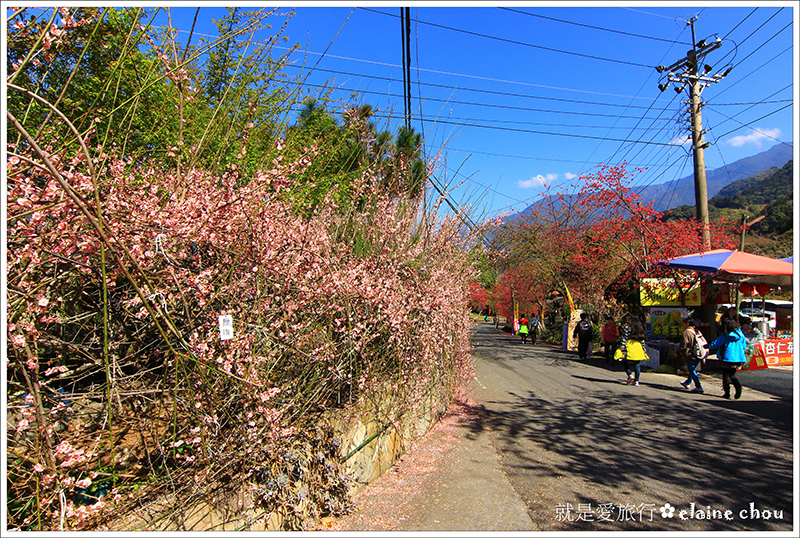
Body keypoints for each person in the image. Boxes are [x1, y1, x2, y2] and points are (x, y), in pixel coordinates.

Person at [709, 317, 747, 399]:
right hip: (738, 358)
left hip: (726, 357)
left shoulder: (725, 336)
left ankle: (727, 393)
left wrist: (708, 346)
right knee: (732, 374)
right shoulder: (740, 334)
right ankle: (738, 387)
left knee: (725, 375)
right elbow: (744, 345)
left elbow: (715, 344)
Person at [679, 318, 706, 393]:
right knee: (692, 369)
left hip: (690, 354)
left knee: (692, 370)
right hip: (700, 353)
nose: (683, 325)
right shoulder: (696, 331)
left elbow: (684, 345)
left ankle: (698, 386)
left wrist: (678, 352)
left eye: (684, 323)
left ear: (687, 324)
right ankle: (687, 382)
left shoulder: (687, 332)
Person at [619, 316, 647, 386]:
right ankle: (637, 381)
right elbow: (642, 339)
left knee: (624, 361)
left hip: (629, 345)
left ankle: (630, 375)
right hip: (638, 346)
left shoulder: (627, 328)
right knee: (637, 364)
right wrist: (643, 347)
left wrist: (622, 347)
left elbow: (624, 338)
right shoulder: (640, 328)